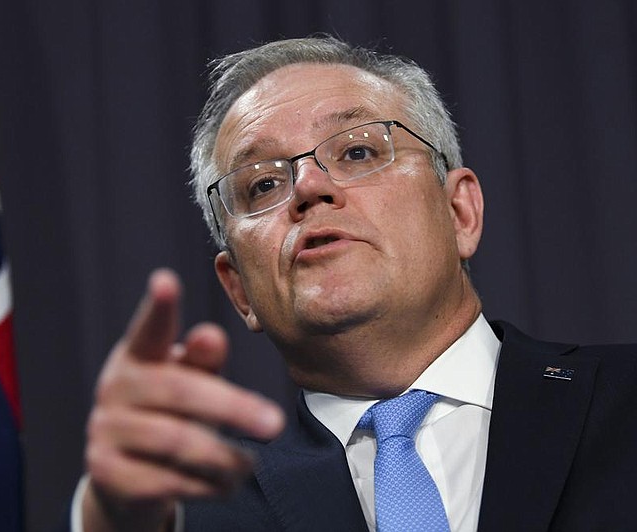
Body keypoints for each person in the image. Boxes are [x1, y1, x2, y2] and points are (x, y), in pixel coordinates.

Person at [73, 36, 637, 531]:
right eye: (263, 185)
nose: (308, 188)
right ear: (239, 288)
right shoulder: (193, 505)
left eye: (359, 150)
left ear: (460, 212)